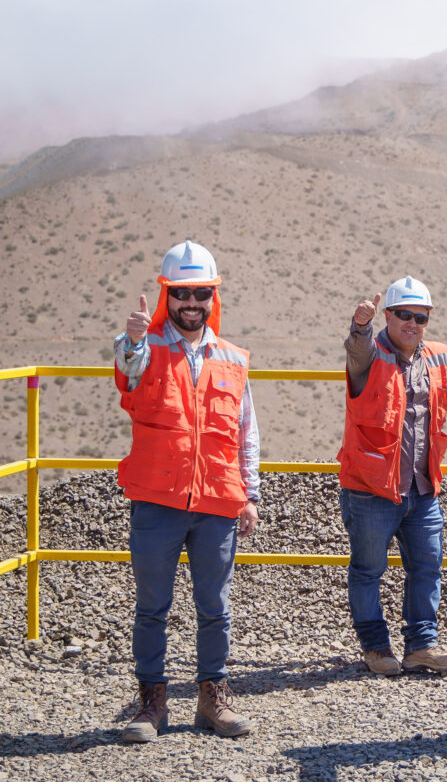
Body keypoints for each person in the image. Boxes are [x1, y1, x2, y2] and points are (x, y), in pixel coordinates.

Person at [114, 240, 259, 742]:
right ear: (166, 294)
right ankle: (151, 704)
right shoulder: (144, 348)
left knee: (215, 608)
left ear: (212, 295)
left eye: (200, 292)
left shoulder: (233, 358)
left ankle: (212, 700)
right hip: (157, 501)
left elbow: (246, 431)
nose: (191, 302)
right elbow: (127, 374)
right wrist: (131, 340)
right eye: (181, 293)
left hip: (218, 501)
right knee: (152, 606)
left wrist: (252, 494)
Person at [338, 276, 447, 676]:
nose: (412, 322)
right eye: (403, 314)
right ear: (388, 316)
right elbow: (357, 348)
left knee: (427, 567)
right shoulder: (369, 355)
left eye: (419, 316)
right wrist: (360, 326)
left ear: (427, 319)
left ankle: (420, 647)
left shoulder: (438, 356)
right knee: (368, 570)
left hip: (422, 490)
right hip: (371, 489)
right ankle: (375, 648)